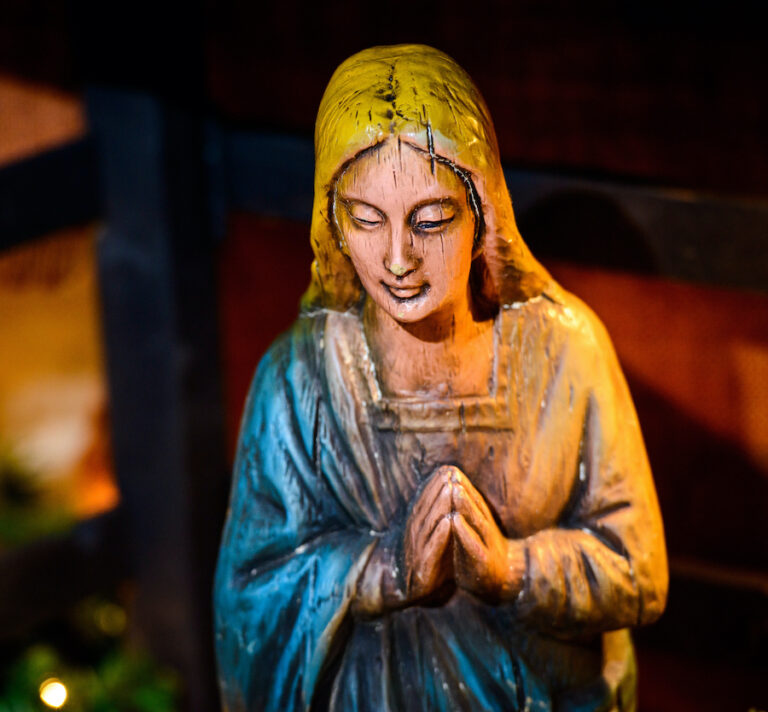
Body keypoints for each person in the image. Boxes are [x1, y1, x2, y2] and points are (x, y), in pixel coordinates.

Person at [213, 45, 667, 712]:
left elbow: (638, 569)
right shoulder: (301, 377)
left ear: (482, 209)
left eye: (431, 220)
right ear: (331, 221)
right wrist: (384, 572)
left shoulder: (565, 351)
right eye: (366, 219)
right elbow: (250, 594)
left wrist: (511, 571)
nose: (398, 258)